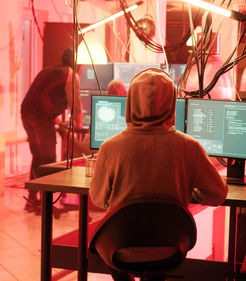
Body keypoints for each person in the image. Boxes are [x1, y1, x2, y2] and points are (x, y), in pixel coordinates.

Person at [89, 68, 228, 281]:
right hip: (171, 247)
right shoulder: (190, 147)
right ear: (172, 103)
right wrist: (187, 193)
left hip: (120, 246)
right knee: (158, 250)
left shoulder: (110, 147)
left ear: (130, 101)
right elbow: (217, 195)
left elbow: (98, 199)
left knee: (111, 246)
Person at [21, 48, 83, 212]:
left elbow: (42, 95)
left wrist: (55, 119)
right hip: (40, 118)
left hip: (27, 113)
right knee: (48, 159)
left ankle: (33, 200)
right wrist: (79, 124)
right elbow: (75, 103)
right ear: (77, 64)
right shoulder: (71, 74)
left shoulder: (49, 69)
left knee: (38, 156)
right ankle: (47, 204)